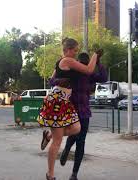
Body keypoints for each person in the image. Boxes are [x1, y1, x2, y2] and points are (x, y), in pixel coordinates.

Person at [37, 37, 100, 180]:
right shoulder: (68, 60)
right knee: (58, 142)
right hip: (57, 102)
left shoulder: (61, 61)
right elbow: (89, 69)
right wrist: (96, 54)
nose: (76, 53)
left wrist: (59, 81)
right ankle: (50, 174)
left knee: (76, 128)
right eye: (75, 50)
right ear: (68, 50)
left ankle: (49, 136)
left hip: (63, 102)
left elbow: (51, 79)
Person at [59, 52, 107, 180]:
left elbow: (53, 81)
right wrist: (98, 63)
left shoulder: (73, 73)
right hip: (82, 112)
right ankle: (74, 174)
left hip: (73, 111)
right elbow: (103, 77)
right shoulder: (88, 74)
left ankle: (67, 149)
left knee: (75, 135)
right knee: (80, 141)